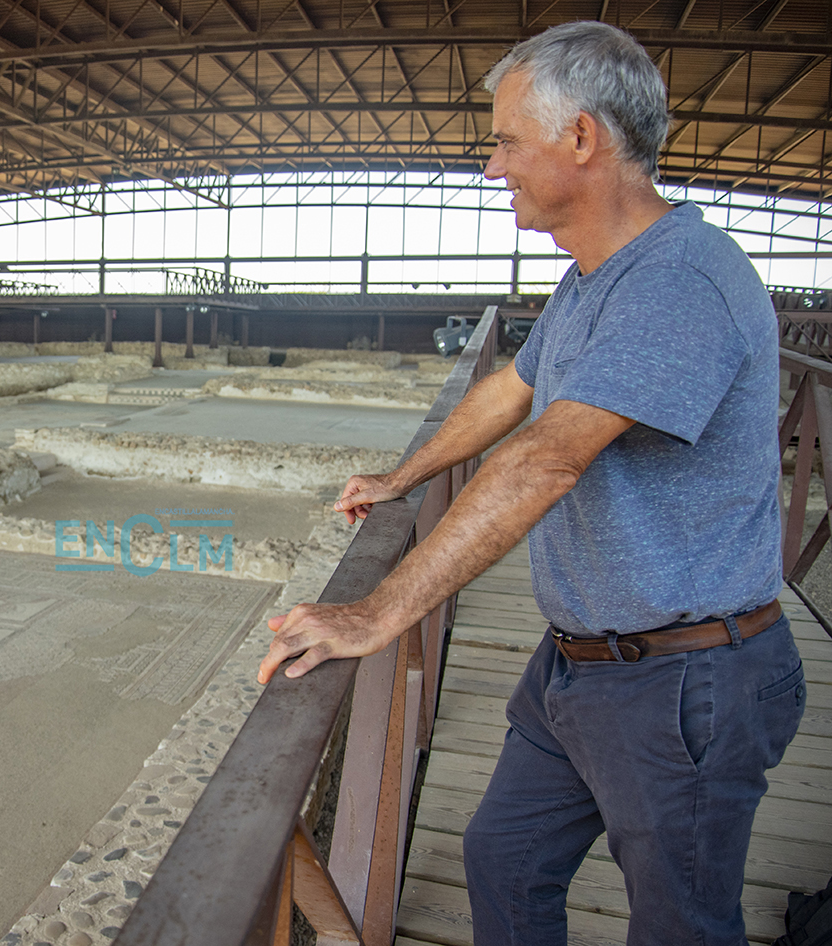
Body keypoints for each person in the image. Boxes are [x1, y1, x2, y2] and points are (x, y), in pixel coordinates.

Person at [256, 20, 807, 946]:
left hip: (685, 679)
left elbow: (546, 457)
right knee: (503, 860)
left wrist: (376, 613)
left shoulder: (680, 281)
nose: (491, 166)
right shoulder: (591, 278)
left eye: (506, 141)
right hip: (578, 660)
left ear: (581, 137)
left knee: (680, 926)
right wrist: (403, 476)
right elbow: (510, 390)